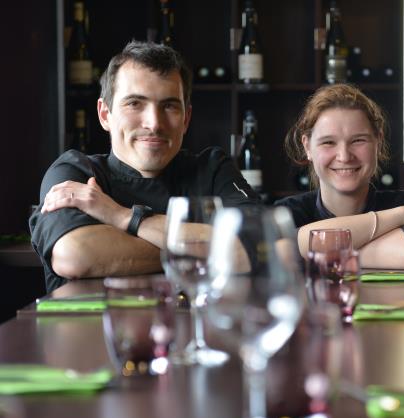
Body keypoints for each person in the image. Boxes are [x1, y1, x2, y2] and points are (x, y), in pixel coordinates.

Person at [29, 41, 260, 292]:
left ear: (186, 119)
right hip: (94, 330)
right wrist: (208, 248)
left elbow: (256, 246)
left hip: (198, 328)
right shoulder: (77, 173)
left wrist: (123, 217)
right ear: (105, 114)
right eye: (134, 103)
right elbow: (75, 255)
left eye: (169, 105)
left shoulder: (213, 168)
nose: (154, 123)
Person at [275, 84, 404, 270]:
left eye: (358, 140)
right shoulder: (285, 213)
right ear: (307, 147)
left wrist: (305, 250)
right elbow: (271, 253)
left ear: (378, 140)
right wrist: (403, 215)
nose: (344, 156)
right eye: (328, 142)